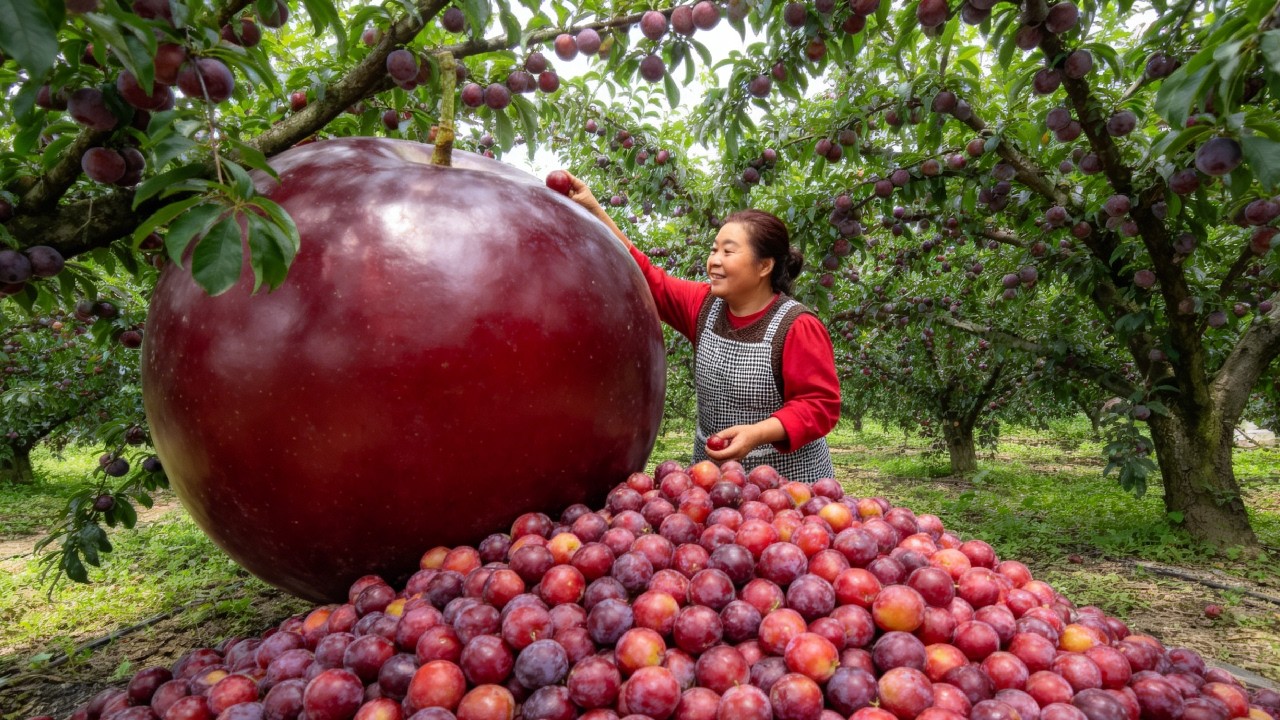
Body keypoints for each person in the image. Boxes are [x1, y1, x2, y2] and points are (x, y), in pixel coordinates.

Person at [562, 172, 840, 483]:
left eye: (728, 251)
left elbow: (820, 406)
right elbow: (647, 276)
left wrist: (758, 433)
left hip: (787, 487)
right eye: (713, 250)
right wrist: (594, 211)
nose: (714, 261)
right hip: (716, 484)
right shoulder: (704, 306)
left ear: (764, 266)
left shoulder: (796, 326)